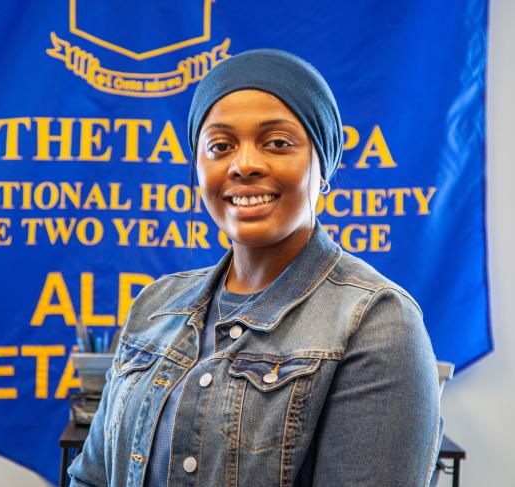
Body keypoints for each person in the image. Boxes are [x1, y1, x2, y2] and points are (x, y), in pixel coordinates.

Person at [68, 49, 441, 486]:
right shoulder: (155, 305)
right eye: (220, 146)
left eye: (278, 143)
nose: (244, 164)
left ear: (322, 168)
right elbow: (92, 477)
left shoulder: (378, 323)